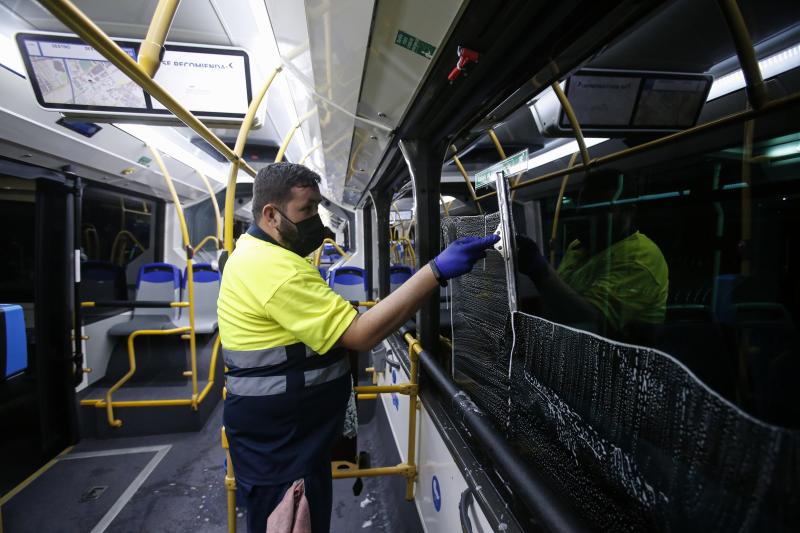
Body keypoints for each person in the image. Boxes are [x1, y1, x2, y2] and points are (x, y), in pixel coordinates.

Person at [217, 162, 498, 533]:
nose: (315, 219)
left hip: (284, 436)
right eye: (306, 210)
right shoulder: (274, 269)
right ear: (271, 214)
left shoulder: (257, 254)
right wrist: (435, 271)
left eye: (318, 207)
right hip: (284, 445)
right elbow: (361, 335)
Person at [517, 169, 668, 341]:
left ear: (628, 212)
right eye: (584, 208)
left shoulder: (640, 258)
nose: (588, 217)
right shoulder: (579, 246)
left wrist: (540, 271)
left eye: (600, 209)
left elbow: (590, 324)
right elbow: (560, 298)